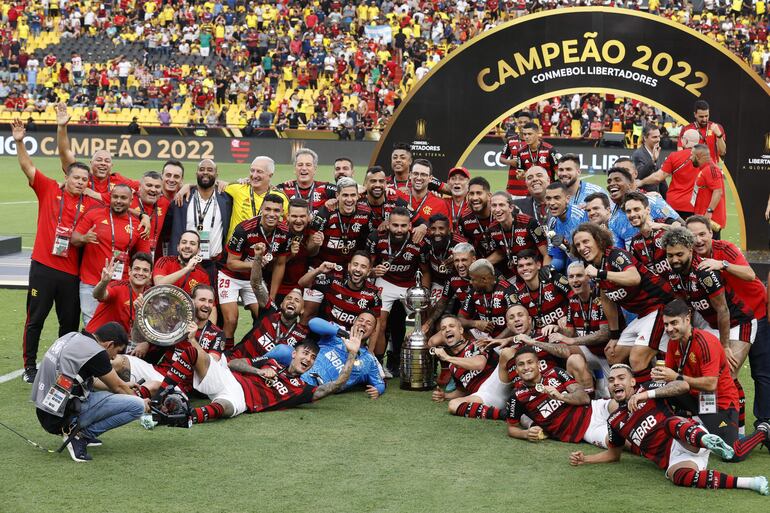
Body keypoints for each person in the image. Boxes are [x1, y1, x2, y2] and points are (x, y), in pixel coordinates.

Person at [569, 364, 768, 495]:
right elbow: (614, 454)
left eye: (621, 378)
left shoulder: (647, 389)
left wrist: (647, 395)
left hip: (686, 436)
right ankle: (751, 482)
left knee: (669, 423)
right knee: (678, 477)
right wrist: (586, 459)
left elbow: (682, 386)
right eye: (611, 381)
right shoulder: (614, 420)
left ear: (632, 382)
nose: (615, 383)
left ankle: (707, 440)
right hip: (675, 458)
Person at [142, 321, 364, 424]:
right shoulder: (272, 362)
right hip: (230, 378)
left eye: (312, 358)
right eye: (304, 353)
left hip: (242, 400)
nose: (307, 359)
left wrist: (351, 354)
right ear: (294, 354)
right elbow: (234, 363)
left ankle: (182, 419)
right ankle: (158, 398)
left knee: (225, 409)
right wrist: (258, 372)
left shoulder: (302, 389)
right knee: (192, 351)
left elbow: (334, 385)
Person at [12, 119, 97, 383]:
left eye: (85, 179)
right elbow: (28, 167)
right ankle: (29, 368)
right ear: (67, 177)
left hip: (71, 274)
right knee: (35, 318)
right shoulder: (49, 189)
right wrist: (18, 141)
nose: (80, 182)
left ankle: (62, 366)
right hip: (44, 268)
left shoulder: (92, 206)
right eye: (76, 177)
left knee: (68, 324)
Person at [654, 299, 768, 462]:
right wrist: (660, 376)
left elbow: (710, 384)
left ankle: (763, 430)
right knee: (656, 389)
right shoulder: (674, 342)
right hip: (695, 397)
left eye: (674, 323)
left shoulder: (705, 342)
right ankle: (674, 425)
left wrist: (675, 377)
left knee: (732, 454)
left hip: (719, 402)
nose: (670, 329)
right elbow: (671, 378)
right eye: (666, 325)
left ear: (687, 319)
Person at [686, 215, 770, 429]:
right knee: (717, 374)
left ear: (711, 234)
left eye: (702, 234)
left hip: (753, 313)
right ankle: (714, 424)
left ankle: (763, 422)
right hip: (723, 321)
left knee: (760, 371)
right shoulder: (687, 260)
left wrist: (721, 264)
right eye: (692, 236)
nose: (698, 240)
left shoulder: (726, 248)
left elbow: (751, 275)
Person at [32, 322, 149, 462]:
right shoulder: (97, 353)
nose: (114, 357)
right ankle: (77, 434)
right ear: (109, 344)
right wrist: (143, 403)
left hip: (46, 410)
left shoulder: (73, 337)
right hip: (62, 416)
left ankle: (76, 431)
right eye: (117, 351)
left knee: (104, 394)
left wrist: (125, 384)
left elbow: (86, 380)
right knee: (137, 406)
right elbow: (118, 387)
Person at [571, 223, 674, 380]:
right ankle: (637, 392)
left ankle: (652, 400)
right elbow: (607, 299)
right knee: (613, 355)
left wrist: (601, 273)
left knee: (637, 359)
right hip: (644, 314)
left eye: (586, 241)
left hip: (662, 307)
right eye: (578, 244)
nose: (582, 247)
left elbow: (634, 278)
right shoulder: (592, 265)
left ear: (597, 240)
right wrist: (614, 334)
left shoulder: (615, 255)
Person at [113, 285, 225, 393]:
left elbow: (210, 367)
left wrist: (192, 340)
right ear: (191, 301)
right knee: (118, 361)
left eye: (210, 301)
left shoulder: (216, 333)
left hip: (178, 384)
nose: (207, 305)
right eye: (202, 300)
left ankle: (129, 398)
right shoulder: (175, 322)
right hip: (157, 372)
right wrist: (140, 314)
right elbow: (137, 338)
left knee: (153, 386)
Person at [72, 184, 150, 325]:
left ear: (131, 200)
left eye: (123, 198)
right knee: (91, 325)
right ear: (110, 198)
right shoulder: (93, 215)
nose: (118, 201)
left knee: (119, 325)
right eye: (115, 197)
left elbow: (144, 258)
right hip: (91, 281)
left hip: (120, 286)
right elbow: (74, 238)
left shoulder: (138, 225)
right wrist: (84, 238)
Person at [504, 346, 610, 448]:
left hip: (595, 408)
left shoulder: (555, 372)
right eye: (521, 364)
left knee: (618, 410)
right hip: (583, 429)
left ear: (539, 365)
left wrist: (561, 396)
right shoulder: (516, 396)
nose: (526, 368)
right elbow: (512, 428)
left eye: (530, 362)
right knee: (616, 440)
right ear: (517, 370)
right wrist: (526, 433)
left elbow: (585, 398)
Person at [220, 195, 289, 349]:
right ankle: (225, 355)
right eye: (268, 209)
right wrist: (256, 263)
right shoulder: (244, 229)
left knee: (267, 315)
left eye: (276, 210)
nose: (271, 214)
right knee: (231, 319)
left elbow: (280, 264)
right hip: (230, 275)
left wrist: (271, 297)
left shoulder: (285, 231)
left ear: (282, 213)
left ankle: (250, 349)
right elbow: (231, 263)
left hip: (254, 279)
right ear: (261, 210)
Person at [367, 207, 430, 373]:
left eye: (403, 226)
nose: (399, 229)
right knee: (379, 323)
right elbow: (368, 266)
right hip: (385, 281)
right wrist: (373, 271)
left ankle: (424, 363)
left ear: (410, 225)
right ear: (388, 224)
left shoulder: (419, 241)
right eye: (395, 225)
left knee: (424, 322)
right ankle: (377, 364)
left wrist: (424, 294)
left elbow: (425, 270)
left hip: (410, 284)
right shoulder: (376, 237)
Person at [265, 314, 386, 399]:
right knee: (282, 350)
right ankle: (256, 364)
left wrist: (378, 390)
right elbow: (313, 322)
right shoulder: (337, 333)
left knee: (281, 390)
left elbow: (380, 382)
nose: (363, 324)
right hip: (302, 365)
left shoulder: (369, 360)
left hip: (319, 383)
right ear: (354, 322)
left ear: (374, 331)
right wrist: (342, 333)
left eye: (368, 323)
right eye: (361, 320)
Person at [169, 158, 233, 291]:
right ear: (196, 173)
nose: (205, 172)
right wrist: (188, 186)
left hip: (214, 263)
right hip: (186, 263)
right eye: (202, 169)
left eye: (210, 170)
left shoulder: (226, 199)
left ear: (216, 174)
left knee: (211, 304)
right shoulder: (183, 198)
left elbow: (246, 185)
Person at [431, 315, 509, 420]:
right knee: (453, 405)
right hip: (484, 395)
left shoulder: (477, 343)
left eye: (451, 326)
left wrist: (447, 357)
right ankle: (505, 414)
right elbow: (462, 391)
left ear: (461, 330)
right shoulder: (452, 366)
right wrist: (445, 396)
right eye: (443, 328)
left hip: (498, 383)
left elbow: (479, 364)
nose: (447, 330)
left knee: (508, 353)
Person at [298, 252, 381, 331]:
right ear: (349, 266)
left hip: (350, 341)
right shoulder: (334, 281)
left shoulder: (373, 293)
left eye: (363, 267)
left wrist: (369, 346)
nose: (358, 269)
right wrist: (319, 270)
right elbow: (302, 283)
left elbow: (376, 325)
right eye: (355, 265)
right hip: (326, 337)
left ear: (368, 272)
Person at [636, 128, 701, 220]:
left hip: (674, 204)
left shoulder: (675, 156)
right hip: (695, 205)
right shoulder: (704, 158)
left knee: (672, 231)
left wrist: (641, 182)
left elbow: (659, 177)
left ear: (685, 140)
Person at [222, 156, 289, 242]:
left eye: (259, 171)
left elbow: (289, 220)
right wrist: (219, 182)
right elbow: (212, 186)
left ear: (270, 175)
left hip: (264, 247)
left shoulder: (280, 196)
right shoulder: (237, 188)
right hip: (235, 247)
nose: (254, 175)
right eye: (252, 170)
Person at [86, 253, 152, 335]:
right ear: (129, 271)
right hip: (96, 339)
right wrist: (103, 282)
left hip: (122, 343)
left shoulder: (151, 295)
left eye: (145, 270)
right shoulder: (118, 287)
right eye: (137, 269)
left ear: (150, 275)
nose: (141, 273)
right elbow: (98, 295)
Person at [488, 191, 548, 279]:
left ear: (511, 208)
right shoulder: (492, 229)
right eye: (494, 205)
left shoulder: (529, 223)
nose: (497, 209)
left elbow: (546, 253)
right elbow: (500, 252)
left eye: (501, 205)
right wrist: (481, 263)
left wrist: (545, 272)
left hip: (536, 272)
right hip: (515, 274)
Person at [277, 148, 336, 213]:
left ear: (315, 169)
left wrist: (334, 201)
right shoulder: (284, 188)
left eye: (308, 165)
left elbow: (345, 192)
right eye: (300, 165)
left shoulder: (325, 188)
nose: (304, 168)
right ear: (294, 169)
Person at [545, 182, 588, 273]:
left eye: (557, 198)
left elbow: (590, 253)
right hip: (571, 272)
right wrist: (549, 269)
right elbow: (558, 258)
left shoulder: (581, 215)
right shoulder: (553, 222)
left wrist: (567, 245)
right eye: (548, 198)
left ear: (567, 199)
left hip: (588, 269)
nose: (551, 203)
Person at [396, 159, 450, 228]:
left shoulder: (440, 204)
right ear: (410, 175)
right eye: (415, 173)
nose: (419, 178)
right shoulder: (397, 196)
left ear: (430, 178)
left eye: (423, 175)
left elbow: (444, 233)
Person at [689, 144, 727, 238]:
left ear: (698, 156)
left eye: (691, 155)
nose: (690, 158)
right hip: (704, 218)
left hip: (710, 221)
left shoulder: (711, 169)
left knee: (711, 249)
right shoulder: (705, 169)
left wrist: (709, 212)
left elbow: (718, 191)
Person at [458, 177, 497, 258]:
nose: (475, 198)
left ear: (489, 196)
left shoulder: (500, 213)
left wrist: (483, 264)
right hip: (479, 265)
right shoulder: (464, 219)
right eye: (471, 194)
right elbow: (464, 248)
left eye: (479, 193)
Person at [677, 100, 726, 164]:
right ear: (695, 114)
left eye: (706, 116)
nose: (704, 119)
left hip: (710, 170)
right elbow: (680, 151)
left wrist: (719, 136)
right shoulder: (686, 129)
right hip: (693, 170)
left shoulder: (716, 128)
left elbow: (722, 152)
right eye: (701, 117)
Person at [631, 124, 666, 196]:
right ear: (645, 138)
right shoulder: (638, 154)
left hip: (656, 197)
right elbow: (638, 174)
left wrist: (667, 199)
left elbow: (661, 180)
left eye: (659, 136)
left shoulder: (655, 152)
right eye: (654, 137)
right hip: (643, 198)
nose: (658, 140)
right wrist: (652, 161)